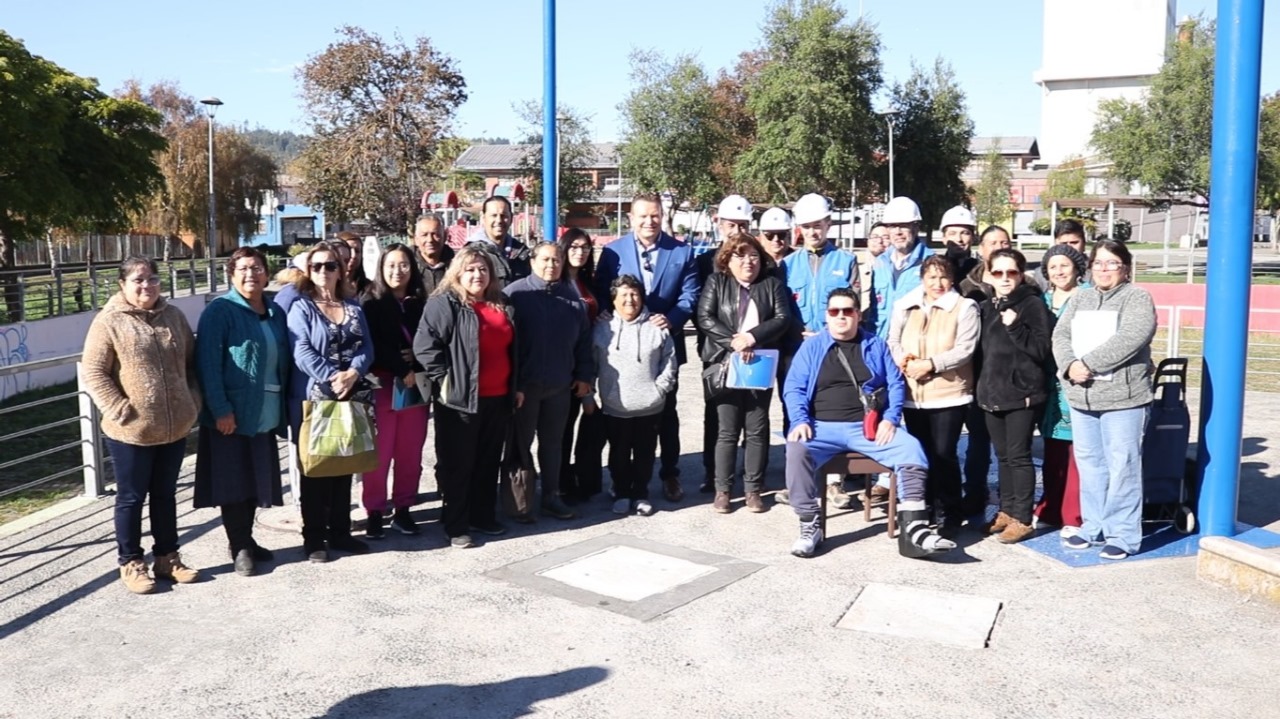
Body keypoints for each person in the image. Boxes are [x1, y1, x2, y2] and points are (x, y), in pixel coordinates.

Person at [782, 288, 955, 559]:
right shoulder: (812, 346)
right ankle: (809, 524)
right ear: (826, 316)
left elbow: (896, 383)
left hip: (866, 428)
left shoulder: (875, 344)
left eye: (847, 311)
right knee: (796, 447)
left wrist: (890, 418)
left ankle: (914, 526)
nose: (841, 317)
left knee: (912, 449)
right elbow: (794, 388)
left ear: (858, 315)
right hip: (821, 427)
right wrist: (800, 420)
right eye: (834, 312)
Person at [82, 256, 201, 594]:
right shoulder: (108, 322)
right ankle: (131, 562)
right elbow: (94, 372)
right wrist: (120, 410)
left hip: (174, 427)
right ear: (123, 285)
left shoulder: (174, 317)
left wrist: (192, 402)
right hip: (130, 432)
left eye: (151, 279)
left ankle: (167, 558)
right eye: (138, 280)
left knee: (165, 495)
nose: (146, 286)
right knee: (131, 498)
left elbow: (191, 365)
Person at [1053, 239, 1156, 560]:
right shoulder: (1081, 297)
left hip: (1123, 400)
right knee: (1091, 465)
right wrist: (1070, 365)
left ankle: (1123, 534)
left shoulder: (1137, 298)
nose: (1104, 269)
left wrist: (1089, 364)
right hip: (1082, 397)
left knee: (1122, 465)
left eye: (1112, 263)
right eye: (1098, 263)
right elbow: (1061, 335)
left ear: (1125, 268)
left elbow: (1132, 336)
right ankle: (1093, 525)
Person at [595, 193, 700, 503]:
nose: (649, 221)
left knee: (666, 414)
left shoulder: (682, 252)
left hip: (662, 344)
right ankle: (623, 481)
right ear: (631, 219)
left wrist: (671, 320)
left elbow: (690, 296)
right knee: (622, 418)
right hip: (622, 348)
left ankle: (670, 474)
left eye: (654, 215)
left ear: (662, 216)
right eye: (642, 216)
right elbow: (603, 289)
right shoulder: (614, 252)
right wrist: (603, 310)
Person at [194, 247, 291, 577]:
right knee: (232, 482)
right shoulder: (220, 312)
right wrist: (221, 409)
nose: (252, 274)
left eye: (258, 268)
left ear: (267, 273)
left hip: (264, 411)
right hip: (232, 412)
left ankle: (247, 538)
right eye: (244, 269)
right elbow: (207, 364)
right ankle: (239, 547)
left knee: (253, 479)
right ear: (232, 275)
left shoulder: (274, 310)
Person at [415, 246, 518, 548]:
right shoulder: (445, 303)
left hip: (498, 397)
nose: (477, 275)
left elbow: (514, 349)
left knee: (488, 461)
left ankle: (483, 516)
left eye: (483, 269)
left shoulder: (502, 303)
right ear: (458, 272)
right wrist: (445, 379)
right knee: (459, 464)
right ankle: (456, 523)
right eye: (470, 269)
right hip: (459, 400)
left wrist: (517, 386)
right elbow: (425, 346)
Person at [287, 242, 375, 563]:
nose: (324, 271)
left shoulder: (353, 306)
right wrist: (332, 376)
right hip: (316, 398)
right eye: (317, 266)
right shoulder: (302, 307)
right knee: (316, 469)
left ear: (341, 269)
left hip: (352, 395)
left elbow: (367, 347)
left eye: (330, 265)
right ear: (309, 272)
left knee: (345, 464)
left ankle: (341, 532)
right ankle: (314, 538)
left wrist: (353, 373)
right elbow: (302, 351)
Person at [696, 234, 793, 514]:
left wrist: (752, 338)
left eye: (753, 256)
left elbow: (782, 319)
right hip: (726, 363)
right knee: (726, 431)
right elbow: (705, 318)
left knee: (757, 429)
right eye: (740, 256)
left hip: (760, 363)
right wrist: (734, 342)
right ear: (728, 259)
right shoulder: (717, 282)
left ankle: (753, 489)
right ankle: (723, 490)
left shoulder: (771, 285)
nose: (747, 262)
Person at [887, 255, 979, 538]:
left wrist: (931, 364)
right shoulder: (905, 305)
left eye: (943, 277)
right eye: (932, 277)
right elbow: (893, 341)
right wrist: (906, 362)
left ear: (952, 280)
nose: (937, 283)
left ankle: (949, 511)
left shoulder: (965, 307)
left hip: (949, 395)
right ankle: (922, 507)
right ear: (922, 279)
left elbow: (965, 349)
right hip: (914, 394)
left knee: (944, 454)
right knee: (921, 453)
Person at [780, 193, 862, 509]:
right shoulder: (787, 265)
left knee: (832, 412)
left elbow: (855, 305)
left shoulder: (846, 261)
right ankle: (800, 480)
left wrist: (829, 332)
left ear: (828, 224)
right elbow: (781, 309)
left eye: (819, 225)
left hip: (835, 350)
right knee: (796, 411)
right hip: (798, 350)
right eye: (808, 226)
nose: (814, 231)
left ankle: (834, 482)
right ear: (799, 228)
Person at [504, 242, 594, 521]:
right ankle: (520, 503)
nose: (550, 265)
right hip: (524, 388)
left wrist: (584, 376)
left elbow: (584, 344)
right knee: (520, 444)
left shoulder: (573, 300)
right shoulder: (514, 295)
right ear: (532, 261)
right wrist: (513, 384)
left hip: (560, 386)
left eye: (556, 260)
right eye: (545, 260)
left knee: (553, 444)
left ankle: (552, 496)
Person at [976, 248, 1054, 544]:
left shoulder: (1031, 304)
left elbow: (1040, 350)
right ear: (989, 275)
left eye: (1012, 272)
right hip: (992, 393)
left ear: (1021, 275)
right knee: (1004, 456)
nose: (1005, 278)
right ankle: (1007, 510)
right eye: (998, 272)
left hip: (1023, 393)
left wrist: (1015, 326)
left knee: (1020, 457)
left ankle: (1023, 517)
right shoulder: (987, 306)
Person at [359, 243, 429, 539]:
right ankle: (374, 510)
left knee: (410, 452)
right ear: (380, 268)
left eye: (403, 265)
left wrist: (417, 360)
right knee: (379, 453)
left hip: (417, 386)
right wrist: (402, 368)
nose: (397, 271)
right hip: (384, 385)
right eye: (390, 265)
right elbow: (372, 344)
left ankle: (404, 507)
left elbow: (432, 337)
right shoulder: (370, 301)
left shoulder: (421, 302)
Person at [594, 275, 679, 516]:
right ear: (613, 299)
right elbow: (590, 363)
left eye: (634, 294)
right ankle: (621, 492)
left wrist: (660, 389)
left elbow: (669, 361)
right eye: (623, 295)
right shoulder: (602, 328)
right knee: (618, 453)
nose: (630, 300)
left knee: (645, 453)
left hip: (649, 406)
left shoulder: (656, 327)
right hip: (615, 405)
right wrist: (592, 393)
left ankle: (641, 493)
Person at [692, 194, 755, 494]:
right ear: (718, 223)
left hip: (752, 350)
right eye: (732, 224)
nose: (737, 231)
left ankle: (749, 472)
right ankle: (712, 471)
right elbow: (699, 311)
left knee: (751, 413)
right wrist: (728, 340)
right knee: (716, 414)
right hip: (716, 351)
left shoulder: (758, 259)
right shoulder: (704, 262)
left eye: (743, 225)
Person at [955, 224, 1013, 516]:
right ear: (982, 248)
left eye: (1004, 241)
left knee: (1009, 445)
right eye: (993, 242)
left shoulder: (1023, 284)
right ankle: (975, 492)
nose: (999, 246)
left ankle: (1009, 499)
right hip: (977, 374)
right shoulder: (966, 288)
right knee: (978, 439)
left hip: (1011, 379)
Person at [1035, 243, 1090, 538]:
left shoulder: (1087, 298)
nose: (1059, 271)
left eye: (1064, 265)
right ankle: (1050, 508)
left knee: (1076, 453)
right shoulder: (1041, 300)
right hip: (1047, 386)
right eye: (1053, 266)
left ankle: (1074, 514)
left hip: (1076, 381)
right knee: (1052, 452)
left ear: (1077, 268)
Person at [558, 228, 606, 503]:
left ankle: (580, 477)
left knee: (584, 423)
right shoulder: (557, 283)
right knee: (561, 430)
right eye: (574, 246)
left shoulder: (589, 283)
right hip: (564, 369)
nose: (580, 251)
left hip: (587, 366)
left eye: (585, 247)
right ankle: (561, 483)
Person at [866, 196, 930, 340]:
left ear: (916, 227)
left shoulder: (930, 263)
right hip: (879, 345)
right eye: (893, 226)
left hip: (911, 349)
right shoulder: (880, 263)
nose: (898, 231)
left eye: (903, 225)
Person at [467, 195, 531, 289]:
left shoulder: (522, 252)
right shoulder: (471, 252)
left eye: (503, 216)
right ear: (483, 218)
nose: (499, 220)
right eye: (494, 215)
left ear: (511, 218)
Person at [414, 213, 456, 295]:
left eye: (435, 234)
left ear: (445, 236)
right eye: (424, 235)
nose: (430, 240)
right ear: (416, 239)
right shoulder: (408, 264)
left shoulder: (456, 264)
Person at [939, 206, 979, 281]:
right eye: (952, 233)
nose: (959, 239)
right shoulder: (936, 268)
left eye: (965, 233)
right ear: (944, 238)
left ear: (973, 237)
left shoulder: (981, 270)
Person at [858, 222, 889, 316]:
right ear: (868, 241)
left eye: (885, 237)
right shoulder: (857, 270)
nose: (880, 241)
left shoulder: (895, 272)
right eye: (875, 237)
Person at [1054, 218, 1092, 284]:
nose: (1069, 248)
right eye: (1064, 243)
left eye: (1074, 242)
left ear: (1084, 244)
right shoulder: (1041, 275)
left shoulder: (1096, 271)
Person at [336, 231, 372, 295]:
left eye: (357, 251)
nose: (354, 255)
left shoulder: (372, 289)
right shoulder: (329, 286)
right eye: (348, 250)